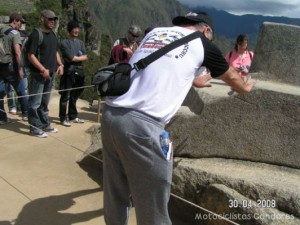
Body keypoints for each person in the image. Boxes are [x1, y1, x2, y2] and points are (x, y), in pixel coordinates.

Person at [100, 11, 255, 225]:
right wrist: (245, 87)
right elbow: (232, 78)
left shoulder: (154, 33)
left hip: (111, 115)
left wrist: (192, 79)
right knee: (153, 207)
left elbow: (162, 66)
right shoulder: (202, 42)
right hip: (143, 128)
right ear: (207, 30)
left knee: (115, 194)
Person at [26, 9, 64, 138]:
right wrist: (42, 69)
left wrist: (60, 64)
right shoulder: (36, 35)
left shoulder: (53, 35)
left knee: (44, 102)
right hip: (39, 74)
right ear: (42, 19)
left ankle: (44, 124)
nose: (53, 21)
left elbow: (55, 52)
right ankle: (35, 127)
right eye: (50, 19)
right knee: (35, 102)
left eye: (54, 19)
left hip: (51, 73)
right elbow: (30, 55)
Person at [0, 12, 28, 125]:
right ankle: (26, 114)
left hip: (0, 65)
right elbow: (17, 52)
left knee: (0, 93)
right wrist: (20, 69)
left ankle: (1, 117)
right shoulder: (15, 33)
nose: (21, 24)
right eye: (20, 22)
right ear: (15, 21)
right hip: (12, 67)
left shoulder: (1, 30)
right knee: (22, 91)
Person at [59, 20, 88, 127]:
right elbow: (71, 57)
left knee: (75, 95)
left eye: (77, 28)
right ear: (70, 29)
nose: (76, 30)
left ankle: (73, 115)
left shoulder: (80, 43)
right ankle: (62, 117)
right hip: (69, 70)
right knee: (65, 95)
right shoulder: (64, 42)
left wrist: (77, 58)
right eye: (74, 28)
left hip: (79, 70)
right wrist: (78, 58)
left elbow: (86, 56)